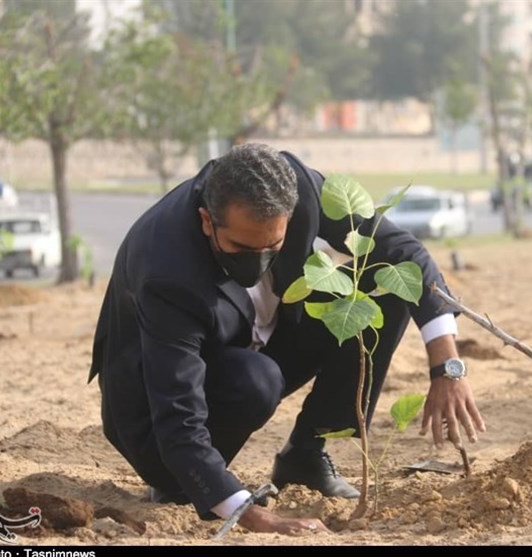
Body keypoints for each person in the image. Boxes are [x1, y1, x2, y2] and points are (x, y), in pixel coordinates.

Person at [87, 143, 485, 535]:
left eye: (273, 246)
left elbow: (403, 251)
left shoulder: (296, 188)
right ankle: (182, 484)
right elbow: (177, 420)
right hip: (154, 421)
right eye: (241, 247)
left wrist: (446, 366)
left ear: (290, 216)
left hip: (253, 342)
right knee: (255, 379)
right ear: (208, 221)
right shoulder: (166, 269)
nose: (259, 260)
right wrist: (252, 514)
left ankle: (305, 456)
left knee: (379, 294)